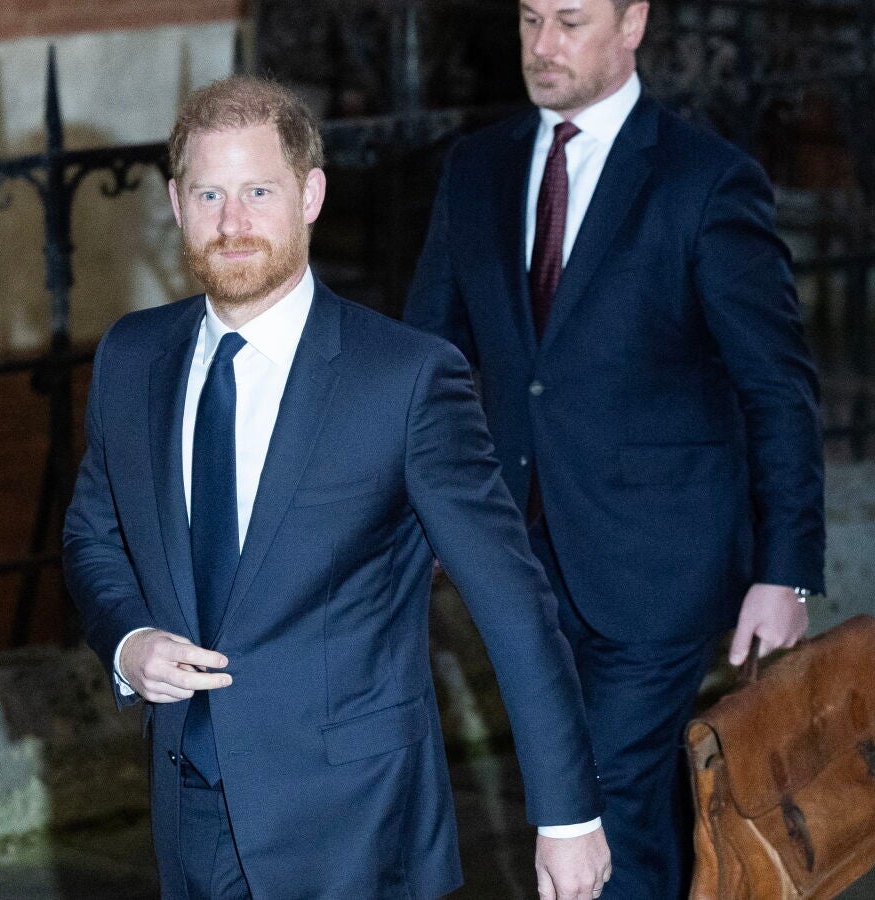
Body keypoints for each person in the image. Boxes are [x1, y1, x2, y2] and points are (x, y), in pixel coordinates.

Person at [63, 75, 611, 900]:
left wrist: (567, 816)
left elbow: (512, 600)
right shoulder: (132, 358)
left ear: (311, 195)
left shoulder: (405, 379)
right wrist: (127, 641)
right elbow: (93, 535)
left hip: (356, 823)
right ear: (175, 204)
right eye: (209, 194)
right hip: (189, 811)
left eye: (258, 192)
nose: (233, 223)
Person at [404, 1, 825, 896]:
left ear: (633, 23)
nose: (542, 47)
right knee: (607, 797)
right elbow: (429, 359)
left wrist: (785, 570)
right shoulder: (477, 168)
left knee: (600, 791)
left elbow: (777, 386)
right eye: (530, 20)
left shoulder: (706, 179)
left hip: (661, 561)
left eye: (570, 22)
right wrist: (421, 514)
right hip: (518, 555)